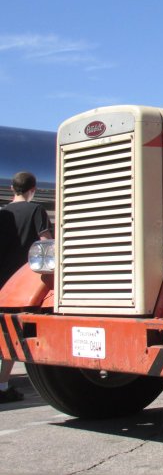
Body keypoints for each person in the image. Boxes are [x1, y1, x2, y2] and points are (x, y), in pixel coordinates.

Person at [0, 171, 52, 403]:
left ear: (12, 188)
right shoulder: (36, 211)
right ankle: (2, 385)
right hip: (21, 283)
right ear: (33, 189)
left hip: (1, 277)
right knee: (11, 334)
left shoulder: (3, 213)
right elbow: (45, 243)